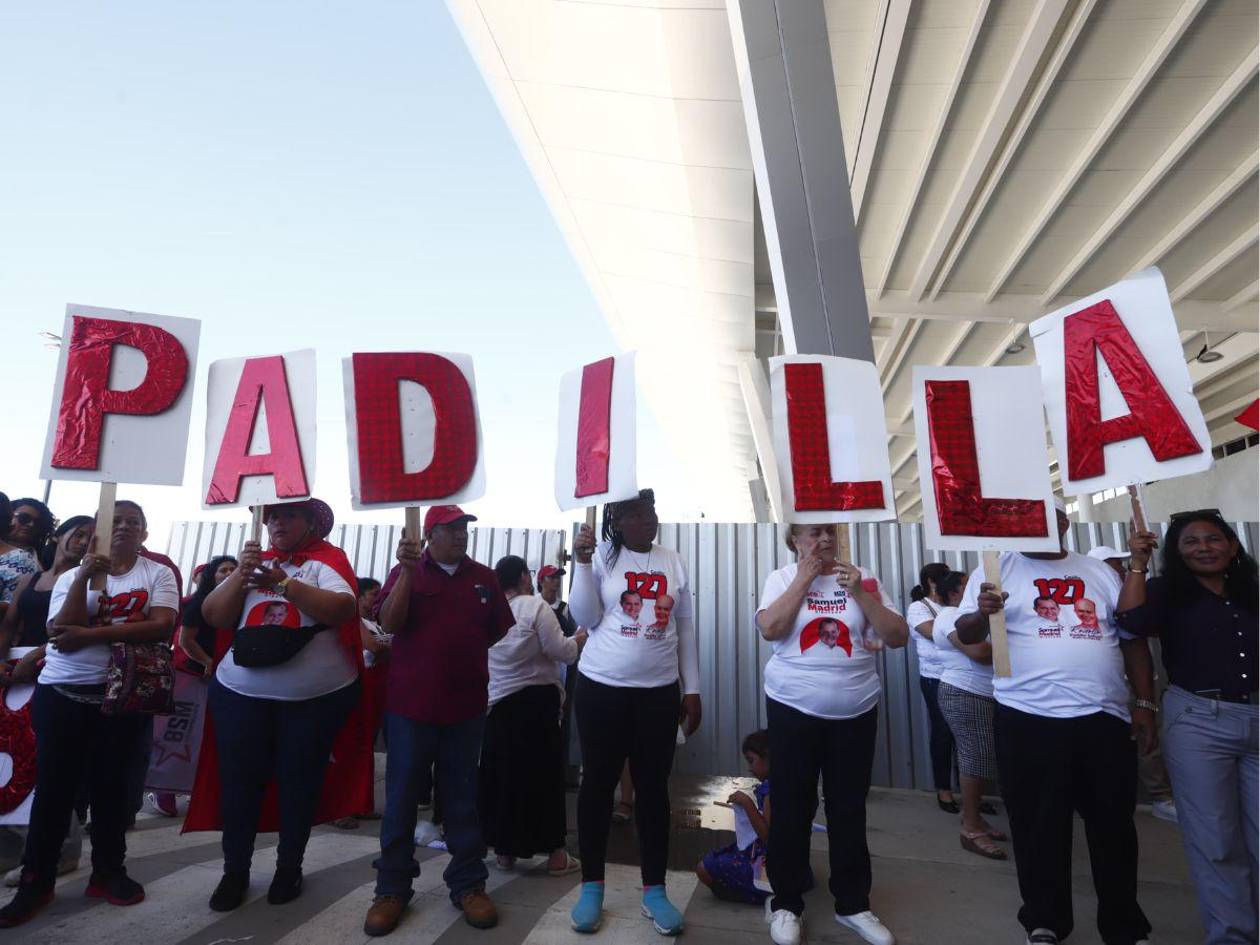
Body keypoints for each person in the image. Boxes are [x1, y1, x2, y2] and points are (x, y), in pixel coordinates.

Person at [954, 503, 1155, 945]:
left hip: (1103, 717)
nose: (1045, 524)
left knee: (1114, 829)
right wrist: (981, 613)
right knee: (1036, 825)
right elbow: (966, 635)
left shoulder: (1101, 572)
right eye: (1033, 516)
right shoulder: (993, 570)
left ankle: (1124, 927)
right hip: (1028, 718)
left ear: (1066, 523)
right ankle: (1045, 920)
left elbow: (1133, 640)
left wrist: (1144, 702)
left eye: (1054, 516)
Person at [0, 500, 178, 928]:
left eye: (133, 523)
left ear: (145, 534)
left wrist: (92, 634)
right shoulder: (70, 575)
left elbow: (161, 625)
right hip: (63, 695)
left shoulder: (157, 574)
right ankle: (35, 883)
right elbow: (62, 631)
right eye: (114, 521)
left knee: (112, 791)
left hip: (125, 697)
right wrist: (84, 575)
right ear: (98, 530)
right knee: (55, 792)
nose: (124, 528)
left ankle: (108, 872)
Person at [186, 498, 369, 913]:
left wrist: (283, 583)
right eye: (272, 516)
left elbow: (343, 608)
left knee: (298, 784)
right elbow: (215, 616)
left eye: (288, 514)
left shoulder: (326, 561)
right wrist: (243, 575)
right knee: (238, 786)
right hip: (240, 696)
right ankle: (235, 871)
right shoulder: (253, 563)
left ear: (310, 524)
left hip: (311, 702)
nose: (277, 522)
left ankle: (290, 867)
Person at [363, 505, 515, 937]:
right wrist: (408, 574)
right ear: (429, 534)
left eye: (464, 529)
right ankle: (391, 889)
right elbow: (388, 624)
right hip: (410, 710)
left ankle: (468, 885)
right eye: (451, 530)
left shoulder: (484, 578)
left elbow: (497, 629)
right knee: (402, 799)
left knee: (463, 799)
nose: (461, 536)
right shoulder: (405, 572)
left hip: (465, 710)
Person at [756, 523, 908, 945]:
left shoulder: (863, 577)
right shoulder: (781, 578)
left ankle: (854, 904)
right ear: (794, 541)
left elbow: (897, 637)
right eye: (812, 534)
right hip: (793, 708)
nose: (823, 540)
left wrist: (861, 592)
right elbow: (771, 629)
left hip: (856, 710)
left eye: (829, 532)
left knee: (848, 807)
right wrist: (805, 579)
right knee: (791, 805)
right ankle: (786, 902)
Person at [1118, 511, 1258, 945]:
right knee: (1215, 840)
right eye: (1191, 542)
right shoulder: (1166, 591)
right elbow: (1129, 624)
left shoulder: (1251, 591)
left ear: (1232, 546)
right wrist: (1138, 564)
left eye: (1213, 539)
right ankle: (1232, 937)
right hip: (1199, 720)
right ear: (1177, 553)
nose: (1204, 548)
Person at [567, 488, 702, 935]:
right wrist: (582, 564)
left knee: (653, 790)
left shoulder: (672, 560)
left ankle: (655, 890)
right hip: (601, 691)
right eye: (638, 514)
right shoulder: (602, 556)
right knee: (598, 787)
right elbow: (584, 616)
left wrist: (693, 688)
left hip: (658, 695)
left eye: (652, 512)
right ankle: (591, 887)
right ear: (618, 520)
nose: (650, 520)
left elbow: (684, 625)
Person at [0, 514, 94, 887]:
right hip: (16, 679)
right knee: (9, 762)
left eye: (91, 537)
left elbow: (74, 629)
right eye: (78, 533)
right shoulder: (31, 580)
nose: (83, 542)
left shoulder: (89, 583)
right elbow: (9, 626)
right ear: (59, 535)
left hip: (56, 675)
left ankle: (63, 849)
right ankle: (11, 846)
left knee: (47, 765)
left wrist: (33, 658)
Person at [480, 555, 583, 875]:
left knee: (505, 778)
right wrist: (579, 640)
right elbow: (562, 652)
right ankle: (555, 854)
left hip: (498, 706)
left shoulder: (488, 611)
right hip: (536, 705)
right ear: (525, 577)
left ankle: (505, 852)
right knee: (544, 777)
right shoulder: (536, 608)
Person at [1088, 545, 1178, 824]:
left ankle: (1160, 796)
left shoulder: (1132, 590)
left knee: (1149, 740)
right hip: (1108, 687)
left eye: (1121, 564)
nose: (1120, 569)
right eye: (1113, 564)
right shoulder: (1095, 594)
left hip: (1138, 685)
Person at [929, 571, 1005, 860]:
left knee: (983, 758)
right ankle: (971, 827)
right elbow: (979, 652)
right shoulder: (950, 616)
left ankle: (976, 820)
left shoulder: (980, 617)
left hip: (985, 693)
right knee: (975, 757)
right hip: (965, 691)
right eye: (969, 586)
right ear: (954, 594)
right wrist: (1017, 643)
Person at [696, 729, 808, 905]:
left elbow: (768, 836)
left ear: (769, 758)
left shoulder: (772, 791)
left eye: (752, 761)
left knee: (704, 868)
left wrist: (747, 804)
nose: (749, 768)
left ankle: (753, 892)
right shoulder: (787, 783)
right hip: (791, 860)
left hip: (772, 862)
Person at [905, 563, 956, 812]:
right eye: (944, 578)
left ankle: (971, 794)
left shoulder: (952, 607)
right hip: (935, 678)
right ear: (931, 582)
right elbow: (933, 633)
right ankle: (944, 790)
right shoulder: (919, 607)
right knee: (943, 731)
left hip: (960, 676)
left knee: (964, 736)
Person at [537, 564, 581, 785]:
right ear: (541, 580)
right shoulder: (533, 605)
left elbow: (571, 640)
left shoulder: (564, 609)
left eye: (558, 578)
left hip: (561, 670)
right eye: (552, 578)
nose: (556, 582)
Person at [176, 556, 238, 677]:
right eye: (223, 570)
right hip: (196, 673)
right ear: (212, 577)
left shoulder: (245, 600)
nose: (229, 573)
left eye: (233, 570)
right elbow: (185, 640)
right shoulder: (200, 602)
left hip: (231, 672)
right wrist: (207, 662)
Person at [0, 495, 44, 616]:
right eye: (24, 518)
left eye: (38, 523)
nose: (31, 524)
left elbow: (13, 607)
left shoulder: (23, 560)